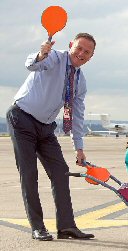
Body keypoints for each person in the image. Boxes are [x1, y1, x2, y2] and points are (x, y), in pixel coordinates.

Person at [6, 33, 96, 241]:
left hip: (46, 128)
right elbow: (32, 65)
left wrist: (79, 148)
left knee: (61, 172)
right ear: (71, 45)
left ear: (91, 57)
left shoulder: (80, 82)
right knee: (29, 174)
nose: (81, 54)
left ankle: (66, 227)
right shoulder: (54, 57)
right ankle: (38, 227)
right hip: (22, 118)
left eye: (87, 52)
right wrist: (41, 54)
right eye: (79, 48)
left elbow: (77, 115)